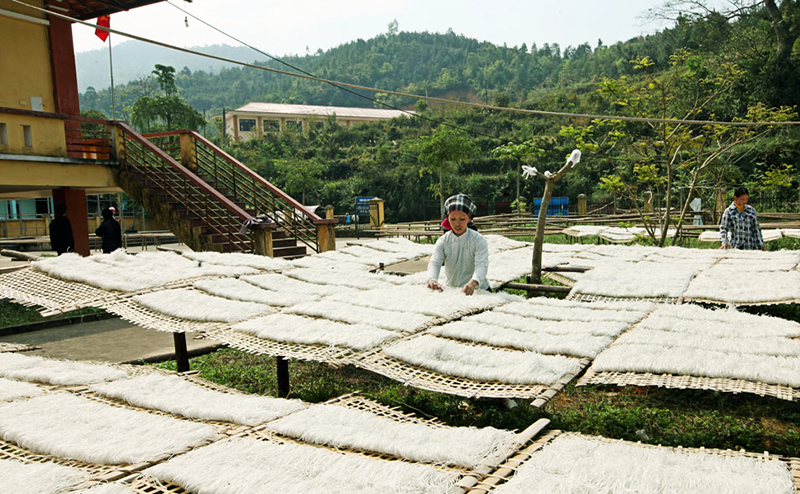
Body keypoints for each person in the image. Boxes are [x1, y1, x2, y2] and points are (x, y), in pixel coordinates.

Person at [426, 194, 489, 296]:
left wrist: (473, 283)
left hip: (478, 291)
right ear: (448, 218)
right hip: (452, 290)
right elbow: (435, 262)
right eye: (453, 219)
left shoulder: (478, 240)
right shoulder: (443, 241)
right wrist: (432, 280)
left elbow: (481, 264)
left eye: (462, 219)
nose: (457, 223)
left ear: (469, 219)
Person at [720, 186, 765, 251]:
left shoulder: (751, 210)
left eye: (746, 199)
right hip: (736, 247)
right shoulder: (729, 211)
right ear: (735, 198)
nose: (745, 201)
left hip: (750, 247)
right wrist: (725, 242)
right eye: (742, 199)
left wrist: (761, 244)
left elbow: (756, 229)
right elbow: (723, 228)